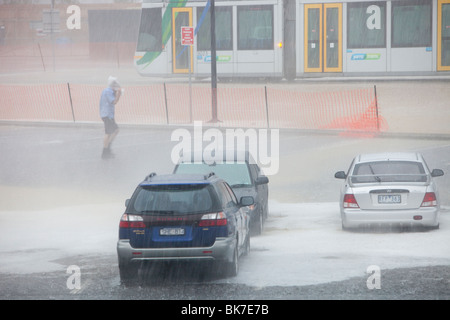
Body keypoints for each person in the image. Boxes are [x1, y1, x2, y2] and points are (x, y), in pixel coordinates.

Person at [99, 76, 122, 159]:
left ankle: (107, 148)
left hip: (108, 115)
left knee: (115, 130)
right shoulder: (108, 92)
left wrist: (116, 93)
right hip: (107, 115)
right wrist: (119, 94)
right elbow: (114, 101)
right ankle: (105, 151)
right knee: (108, 133)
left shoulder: (108, 91)